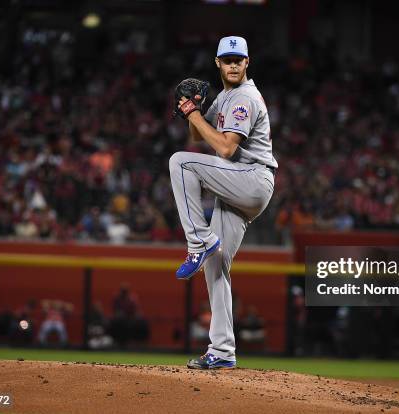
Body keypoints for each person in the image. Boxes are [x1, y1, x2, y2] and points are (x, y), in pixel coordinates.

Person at [170, 36, 277, 369]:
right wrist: (195, 111)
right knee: (216, 266)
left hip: (251, 178)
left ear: (247, 63)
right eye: (227, 59)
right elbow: (199, 135)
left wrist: (193, 113)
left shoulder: (244, 97)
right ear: (218, 63)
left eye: (238, 59)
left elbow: (227, 148)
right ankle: (222, 351)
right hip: (240, 189)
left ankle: (197, 241)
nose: (233, 64)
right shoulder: (226, 97)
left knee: (180, 162)